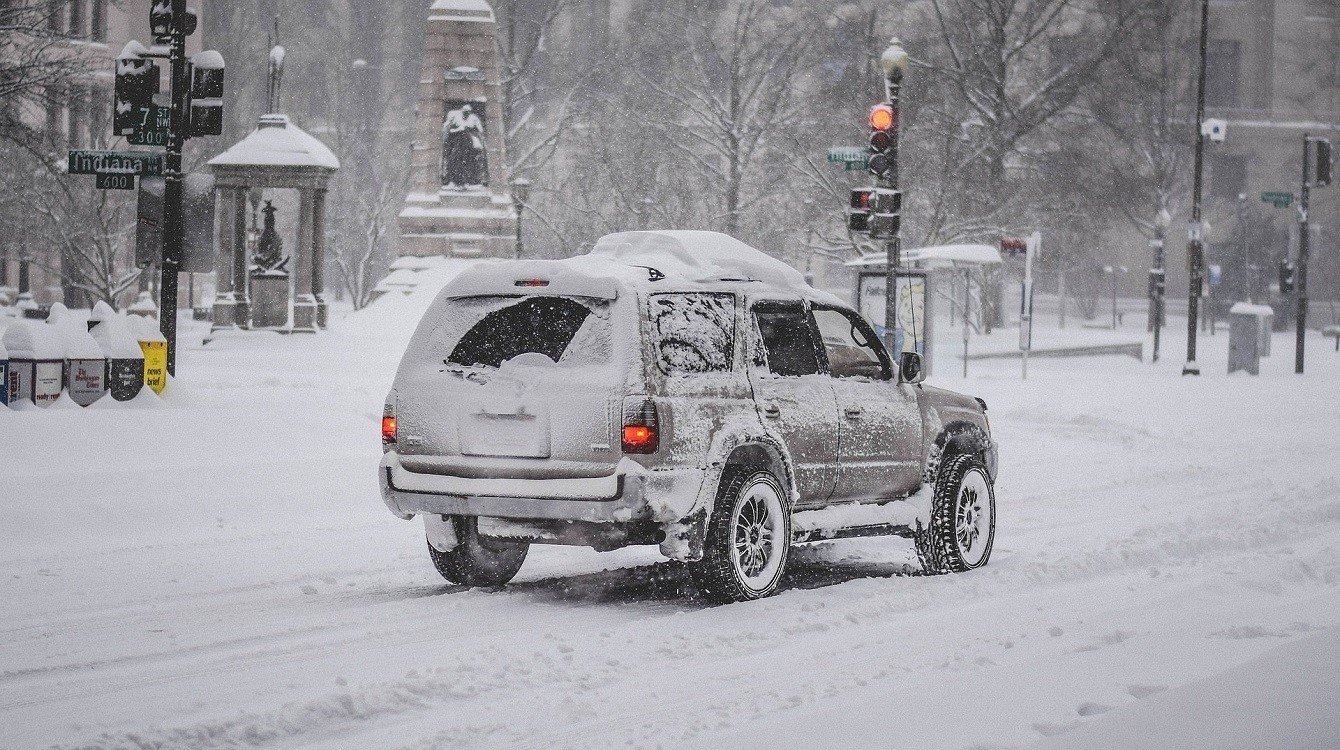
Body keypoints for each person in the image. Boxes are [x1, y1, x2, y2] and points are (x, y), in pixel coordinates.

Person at [441, 103, 487, 188]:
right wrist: (458, 129)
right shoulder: (454, 116)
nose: (466, 114)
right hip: (457, 144)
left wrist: (469, 130)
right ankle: (454, 181)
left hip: (469, 147)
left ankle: (468, 181)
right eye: (465, 112)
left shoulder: (474, 119)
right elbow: (448, 128)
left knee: (469, 164)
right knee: (454, 162)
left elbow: (480, 130)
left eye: (468, 112)